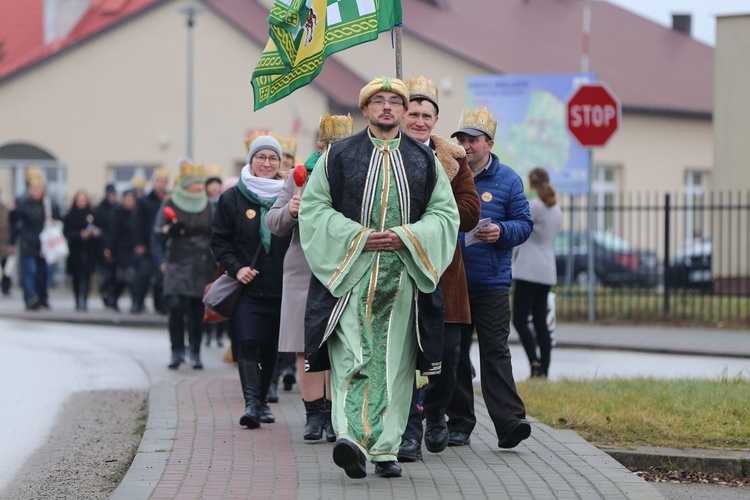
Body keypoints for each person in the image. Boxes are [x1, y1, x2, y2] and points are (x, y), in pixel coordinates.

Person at [298, 76, 459, 479]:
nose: (387, 107)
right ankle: (351, 440)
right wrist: (359, 239)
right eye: (378, 101)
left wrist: (405, 236)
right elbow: (314, 209)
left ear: (404, 112)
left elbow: (445, 216)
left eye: (394, 102)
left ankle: (385, 449)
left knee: (397, 367)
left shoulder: (424, 161)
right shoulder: (339, 156)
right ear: (365, 110)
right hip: (352, 277)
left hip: (403, 279)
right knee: (353, 356)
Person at [398, 76, 481, 462]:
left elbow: (469, 212)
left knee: (448, 353)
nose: (418, 120)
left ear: (435, 120)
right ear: (401, 115)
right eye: (412, 113)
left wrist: (433, 212)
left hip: (444, 271)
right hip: (397, 269)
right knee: (405, 354)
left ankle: (436, 415)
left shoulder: (454, 158)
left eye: (425, 114)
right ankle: (410, 431)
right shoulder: (387, 155)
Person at [446, 107, 534, 450]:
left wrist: (501, 230)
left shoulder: (508, 179)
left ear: (489, 143)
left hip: (492, 283)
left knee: (495, 352)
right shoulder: (449, 175)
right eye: (462, 139)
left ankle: (509, 421)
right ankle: (459, 423)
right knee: (454, 354)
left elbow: (525, 224)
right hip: (453, 280)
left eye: (473, 140)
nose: (467, 146)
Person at [266, 113, 354, 442]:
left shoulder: (359, 176)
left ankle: (335, 414)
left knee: (337, 345)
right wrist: (289, 210)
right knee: (305, 347)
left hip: (342, 268)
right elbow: (272, 222)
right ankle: (313, 414)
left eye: (342, 145)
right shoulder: (298, 176)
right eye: (330, 144)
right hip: (302, 268)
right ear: (319, 144)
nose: (336, 151)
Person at [211, 136, 291, 428]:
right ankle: (252, 404)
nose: (267, 163)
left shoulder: (289, 196)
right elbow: (220, 241)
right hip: (245, 287)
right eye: (261, 157)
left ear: (279, 164)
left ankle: (263, 399)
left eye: (273, 158)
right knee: (247, 343)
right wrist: (236, 268)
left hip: (280, 285)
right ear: (251, 160)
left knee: (271, 347)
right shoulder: (232, 197)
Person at [153, 162, 215, 369]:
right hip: (178, 260)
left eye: (201, 183)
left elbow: (215, 232)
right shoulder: (171, 202)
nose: (199, 187)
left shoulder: (207, 204)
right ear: (186, 184)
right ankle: (176, 351)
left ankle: (195, 352)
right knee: (176, 307)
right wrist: (170, 229)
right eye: (196, 183)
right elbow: (157, 231)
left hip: (201, 261)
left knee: (197, 310)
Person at [512, 167, 562, 378]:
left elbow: (520, 232)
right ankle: (545, 367)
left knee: (520, 319)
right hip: (547, 269)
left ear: (531, 185)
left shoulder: (534, 206)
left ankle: (534, 361)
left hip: (528, 270)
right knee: (541, 320)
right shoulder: (556, 208)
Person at [10, 167, 61, 310]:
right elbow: (15, 224)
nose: (36, 192)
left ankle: (42, 297)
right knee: (30, 271)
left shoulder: (48, 205)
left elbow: (58, 221)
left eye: (39, 189)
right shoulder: (23, 204)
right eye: (34, 189)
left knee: (44, 273)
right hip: (28, 243)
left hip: (45, 245)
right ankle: (30, 298)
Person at [132, 167, 170, 314]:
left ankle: (160, 305)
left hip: (163, 244)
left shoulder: (168, 199)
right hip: (147, 244)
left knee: (161, 278)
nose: (161, 184)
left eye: (163, 181)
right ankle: (138, 302)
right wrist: (139, 243)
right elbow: (137, 224)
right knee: (144, 275)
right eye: (158, 181)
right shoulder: (145, 201)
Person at [63, 190, 102, 311]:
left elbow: (100, 228)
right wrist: (79, 234)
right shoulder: (70, 216)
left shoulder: (92, 215)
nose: (82, 202)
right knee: (76, 277)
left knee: (87, 277)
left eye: (83, 200)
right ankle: (77, 300)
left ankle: (84, 300)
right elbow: (66, 232)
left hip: (88, 251)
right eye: (80, 200)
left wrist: (96, 233)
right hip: (75, 250)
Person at [203, 164, 226, 348]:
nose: (214, 188)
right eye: (211, 185)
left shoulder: (224, 202)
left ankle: (218, 333)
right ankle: (206, 332)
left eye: (217, 184)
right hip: (205, 257)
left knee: (221, 296)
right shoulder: (203, 206)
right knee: (207, 296)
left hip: (220, 257)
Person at [104, 190, 138, 311]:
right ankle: (125, 300)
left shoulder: (137, 214)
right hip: (121, 250)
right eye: (126, 200)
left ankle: (132, 301)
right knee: (127, 276)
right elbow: (113, 233)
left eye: (131, 200)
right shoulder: (118, 214)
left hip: (134, 250)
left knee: (129, 277)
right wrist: (109, 250)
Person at [94, 184, 118, 309]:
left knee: (114, 274)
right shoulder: (100, 209)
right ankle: (105, 293)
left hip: (115, 245)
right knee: (105, 273)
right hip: (102, 246)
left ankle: (113, 296)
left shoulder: (117, 208)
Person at [0, 187, 14, 296]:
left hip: (5, 242)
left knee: (7, 267)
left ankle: (6, 288)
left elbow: (13, 226)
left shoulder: (7, 209)